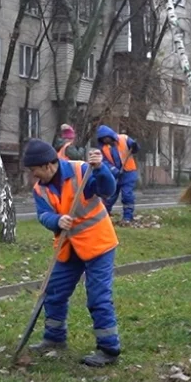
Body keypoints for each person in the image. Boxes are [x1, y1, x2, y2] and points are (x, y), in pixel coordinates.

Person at [24, 139, 122, 367]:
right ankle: (54, 338)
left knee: (98, 296)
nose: (33, 175)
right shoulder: (40, 189)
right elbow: (43, 215)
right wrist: (57, 220)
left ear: (48, 165)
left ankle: (109, 349)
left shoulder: (82, 171)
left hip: (98, 244)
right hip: (68, 246)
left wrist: (100, 169)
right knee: (54, 292)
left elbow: (107, 190)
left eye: (34, 169)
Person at [96, 125, 139, 224]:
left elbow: (134, 148)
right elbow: (105, 162)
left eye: (106, 137)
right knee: (110, 195)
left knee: (127, 195)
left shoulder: (124, 138)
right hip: (115, 175)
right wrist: (114, 170)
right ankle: (104, 216)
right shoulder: (103, 148)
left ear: (110, 135)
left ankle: (127, 217)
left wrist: (135, 146)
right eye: (103, 139)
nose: (105, 140)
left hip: (129, 172)